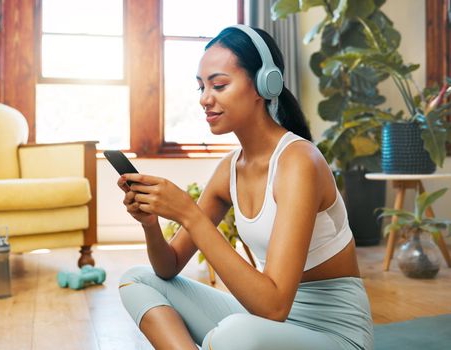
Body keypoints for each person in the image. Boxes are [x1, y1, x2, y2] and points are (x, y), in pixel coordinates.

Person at [117, 24, 374, 350]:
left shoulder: (299, 162)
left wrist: (189, 214)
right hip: (271, 327)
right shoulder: (230, 168)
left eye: (219, 85)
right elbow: (168, 267)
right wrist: (151, 223)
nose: (205, 100)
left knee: (234, 333)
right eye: (201, 88)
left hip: (334, 335)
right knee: (138, 279)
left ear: (264, 85)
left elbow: (273, 306)